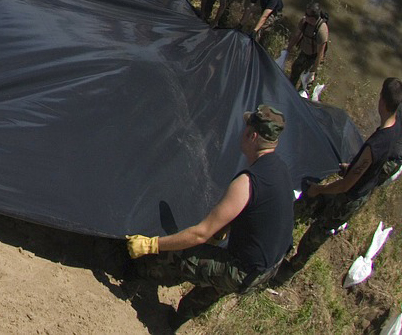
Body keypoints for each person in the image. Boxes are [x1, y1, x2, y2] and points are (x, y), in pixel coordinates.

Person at [126, 105, 294, 330]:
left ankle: (135, 273)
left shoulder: (247, 182)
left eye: (246, 128)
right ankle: (175, 321)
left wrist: (150, 244)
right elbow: (259, 212)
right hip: (269, 268)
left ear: (252, 135)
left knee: (182, 253)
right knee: (215, 284)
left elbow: (200, 233)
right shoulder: (280, 169)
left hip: (244, 270)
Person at [273, 77, 402, 286]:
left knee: (317, 233)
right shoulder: (394, 130)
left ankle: (288, 270)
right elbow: (374, 168)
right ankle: (281, 241)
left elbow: (345, 185)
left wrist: (320, 189)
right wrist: (352, 168)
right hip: (359, 189)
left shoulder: (376, 144)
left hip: (349, 197)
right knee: (304, 207)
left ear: (382, 101)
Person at [283, 2, 329, 88]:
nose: (305, 15)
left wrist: (313, 71)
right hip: (304, 52)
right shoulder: (304, 22)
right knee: (295, 69)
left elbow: (320, 54)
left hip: (314, 57)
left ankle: (302, 94)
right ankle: (290, 90)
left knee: (306, 82)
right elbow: (296, 36)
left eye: (307, 14)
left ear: (313, 17)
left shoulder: (321, 30)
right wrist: (287, 50)